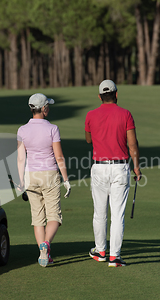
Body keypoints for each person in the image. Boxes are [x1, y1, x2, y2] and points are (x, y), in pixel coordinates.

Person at [84, 80, 142, 267]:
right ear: (116, 94)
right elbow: (132, 144)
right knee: (117, 214)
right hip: (120, 167)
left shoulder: (91, 115)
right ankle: (114, 257)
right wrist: (137, 167)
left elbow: (88, 139)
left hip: (99, 167)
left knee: (99, 213)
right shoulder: (126, 114)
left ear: (100, 96)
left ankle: (100, 251)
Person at [17, 93, 71, 267]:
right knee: (54, 217)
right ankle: (46, 244)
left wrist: (20, 182)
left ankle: (43, 253)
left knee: (38, 218)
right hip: (50, 175)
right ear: (44, 108)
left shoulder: (22, 130)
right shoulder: (52, 128)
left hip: (31, 176)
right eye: (48, 106)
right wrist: (66, 179)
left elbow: (20, 159)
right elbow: (59, 156)